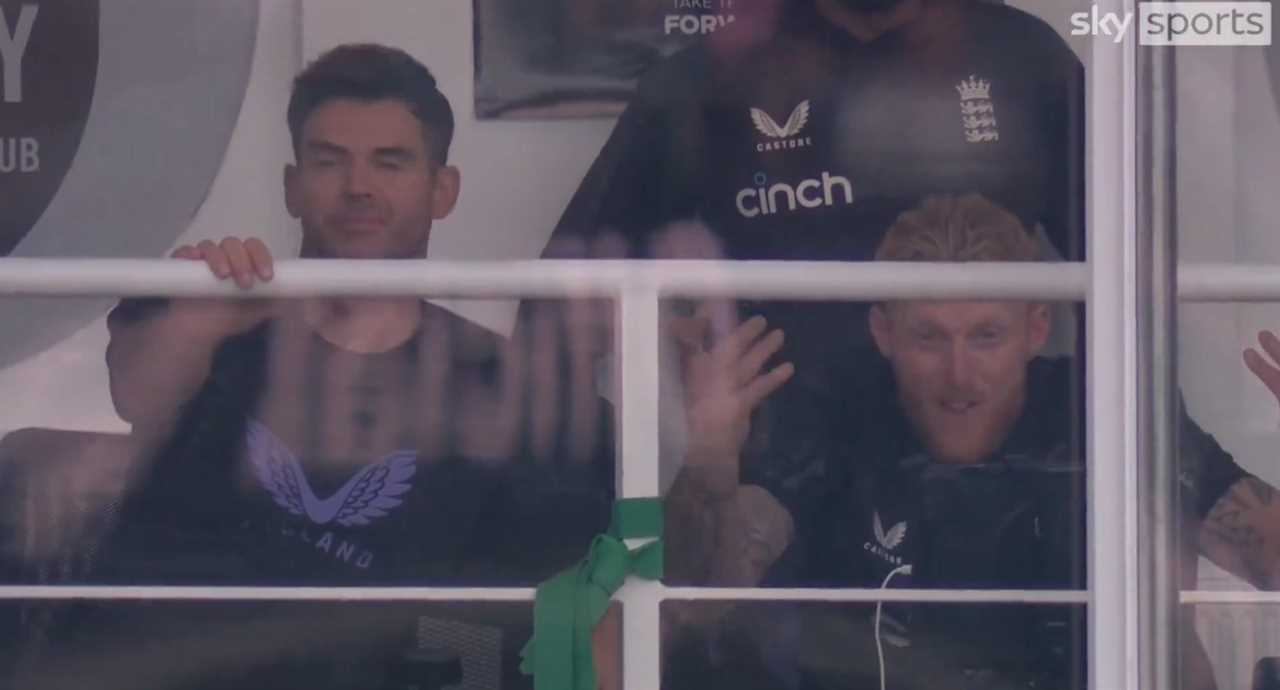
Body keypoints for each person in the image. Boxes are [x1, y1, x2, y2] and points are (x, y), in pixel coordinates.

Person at [9, 44, 615, 690]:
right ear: (293, 187)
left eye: (391, 162)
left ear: (443, 190)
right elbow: (137, 390)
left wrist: (698, 450)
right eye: (330, 161)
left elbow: (594, 605)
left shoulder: (507, 383)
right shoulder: (214, 311)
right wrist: (202, 318)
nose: (359, 187)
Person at [663, 194, 1256, 689]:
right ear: (883, 333)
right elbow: (695, 602)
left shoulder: (1105, 408)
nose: (959, 374)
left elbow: (1265, 552)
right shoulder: (835, 414)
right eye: (929, 337)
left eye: (986, 336)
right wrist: (707, 471)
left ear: (1037, 329)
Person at [534, 0, 1084, 498]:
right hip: (793, 499)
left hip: (1007, 486)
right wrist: (652, 326)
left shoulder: (1024, 58)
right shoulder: (709, 80)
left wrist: (1148, 460)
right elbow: (553, 311)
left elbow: (1132, 279)